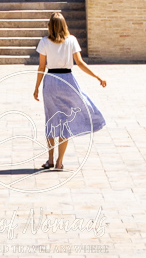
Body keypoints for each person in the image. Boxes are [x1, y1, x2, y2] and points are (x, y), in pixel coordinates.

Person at [32, 13, 107, 170]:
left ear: (50, 26)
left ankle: (50, 159)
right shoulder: (71, 40)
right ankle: (60, 162)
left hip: (51, 81)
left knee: (51, 120)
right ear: (64, 25)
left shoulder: (44, 42)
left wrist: (37, 87)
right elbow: (79, 63)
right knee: (64, 123)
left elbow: (41, 67)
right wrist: (97, 76)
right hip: (68, 81)